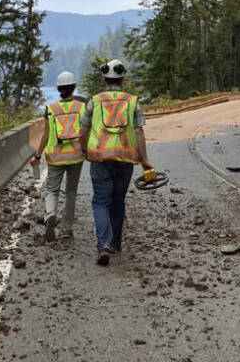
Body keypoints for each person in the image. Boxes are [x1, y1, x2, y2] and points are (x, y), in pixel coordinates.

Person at [81, 58, 154, 266]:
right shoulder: (132, 101)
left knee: (101, 201)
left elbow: (84, 128)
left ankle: (103, 245)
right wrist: (144, 160)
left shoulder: (94, 101)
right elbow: (139, 131)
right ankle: (114, 243)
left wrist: (84, 148)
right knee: (118, 200)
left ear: (105, 78)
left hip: (100, 159)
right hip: (125, 160)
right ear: (123, 78)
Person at [30, 71, 86, 241]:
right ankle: (66, 229)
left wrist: (38, 155)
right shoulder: (81, 108)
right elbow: (85, 132)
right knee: (71, 192)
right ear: (74, 87)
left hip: (55, 157)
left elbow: (46, 135)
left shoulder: (51, 109)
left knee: (52, 190)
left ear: (59, 89)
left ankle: (49, 216)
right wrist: (87, 150)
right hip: (76, 155)